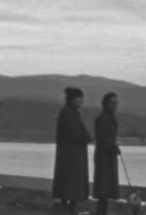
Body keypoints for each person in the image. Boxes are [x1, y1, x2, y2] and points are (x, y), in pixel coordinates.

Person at [52, 87, 92, 215]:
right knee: (71, 184)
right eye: (80, 98)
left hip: (70, 156)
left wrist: (85, 136)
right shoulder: (68, 113)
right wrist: (87, 137)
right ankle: (70, 211)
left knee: (68, 184)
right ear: (74, 99)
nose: (82, 102)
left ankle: (68, 210)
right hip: (71, 157)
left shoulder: (70, 112)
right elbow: (75, 134)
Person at [93, 92, 121, 215]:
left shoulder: (109, 118)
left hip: (108, 158)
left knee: (105, 192)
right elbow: (102, 139)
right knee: (103, 192)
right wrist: (114, 146)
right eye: (113, 102)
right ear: (106, 103)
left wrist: (114, 147)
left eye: (116, 103)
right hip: (103, 159)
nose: (115, 105)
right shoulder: (102, 119)